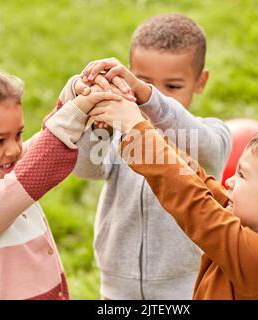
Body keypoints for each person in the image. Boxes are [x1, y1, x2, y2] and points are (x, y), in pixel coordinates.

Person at [88, 98, 258, 299]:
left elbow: (195, 205)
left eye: (242, 175)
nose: (229, 180)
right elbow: (201, 186)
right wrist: (142, 120)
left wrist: (137, 130)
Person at [61, 13, 231, 299]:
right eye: (143, 81)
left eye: (173, 86)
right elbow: (85, 169)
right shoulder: (121, 133)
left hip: (185, 288)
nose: (154, 96)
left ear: (200, 82)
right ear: (127, 74)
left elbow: (207, 147)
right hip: (118, 287)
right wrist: (97, 129)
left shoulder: (208, 133)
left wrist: (147, 96)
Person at [0, 67, 122, 299]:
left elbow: (43, 143)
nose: (14, 149)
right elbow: (37, 168)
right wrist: (75, 113)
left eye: (18, 135)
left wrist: (78, 98)